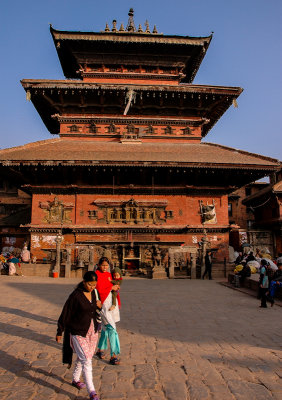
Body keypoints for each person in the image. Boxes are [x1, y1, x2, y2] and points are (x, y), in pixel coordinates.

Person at [56, 271, 102, 400]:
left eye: (94, 284)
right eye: (89, 284)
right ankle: (92, 391)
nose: (92, 287)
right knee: (86, 360)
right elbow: (66, 312)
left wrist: (100, 306)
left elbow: (95, 311)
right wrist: (60, 330)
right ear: (83, 282)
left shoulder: (93, 293)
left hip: (92, 330)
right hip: (77, 331)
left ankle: (75, 379)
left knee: (85, 357)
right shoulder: (75, 296)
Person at [95, 257, 121, 365]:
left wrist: (116, 301)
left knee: (105, 329)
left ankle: (100, 349)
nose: (105, 267)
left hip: (110, 304)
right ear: (99, 265)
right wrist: (111, 288)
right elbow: (98, 288)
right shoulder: (95, 275)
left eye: (107, 265)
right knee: (112, 329)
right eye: (103, 265)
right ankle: (113, 355)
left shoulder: (109, 275)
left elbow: (113, 286)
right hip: (103, 305)